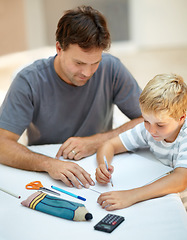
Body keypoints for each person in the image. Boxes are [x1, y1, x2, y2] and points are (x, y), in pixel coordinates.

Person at [0, 6, 142, 189]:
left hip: (101, 165)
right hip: (50, 172)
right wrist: (49, 164)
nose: (87, 72)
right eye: (79, 63)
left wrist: (96, 142)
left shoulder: (112, 68)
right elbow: (2, 144)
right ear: (59, 48)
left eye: (95, 63)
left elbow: (147, 120)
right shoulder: (28, 81)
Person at [96, 73, 187, 211]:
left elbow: (181, 179)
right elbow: (110, 145)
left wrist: (131, 196)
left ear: (181, 118)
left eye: (160, 125)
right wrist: (103, 165)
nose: (151, 130)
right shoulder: (150, 128)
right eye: (146, 121)